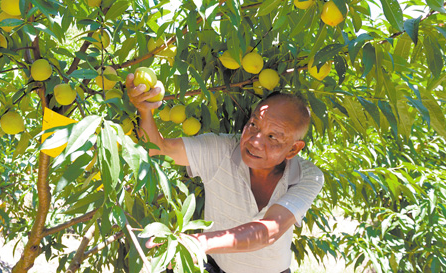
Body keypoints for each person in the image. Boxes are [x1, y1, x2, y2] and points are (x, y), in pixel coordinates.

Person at [126, 74, 324, 273]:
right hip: (214, 266)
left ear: (293, 149)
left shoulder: (307, 176)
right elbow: (158, 150)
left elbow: (268, 231)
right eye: (253, 125)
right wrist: (145, 110)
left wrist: (198, 243)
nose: (254, 141)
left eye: (272, 137)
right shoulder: (222, 150)